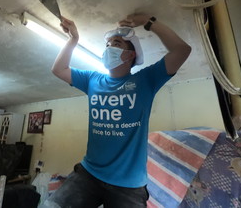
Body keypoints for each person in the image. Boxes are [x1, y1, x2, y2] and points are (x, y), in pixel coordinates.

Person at [44, 13, 191, 208]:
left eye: (117, 44)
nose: (109, 48)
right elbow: (59, 69)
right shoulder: (92, 80)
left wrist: (149, 22)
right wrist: (74, 39)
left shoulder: (145, 81)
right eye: (108, 45)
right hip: (89, 174)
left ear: (130, 55)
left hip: (128, 185)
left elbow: (182, 50)